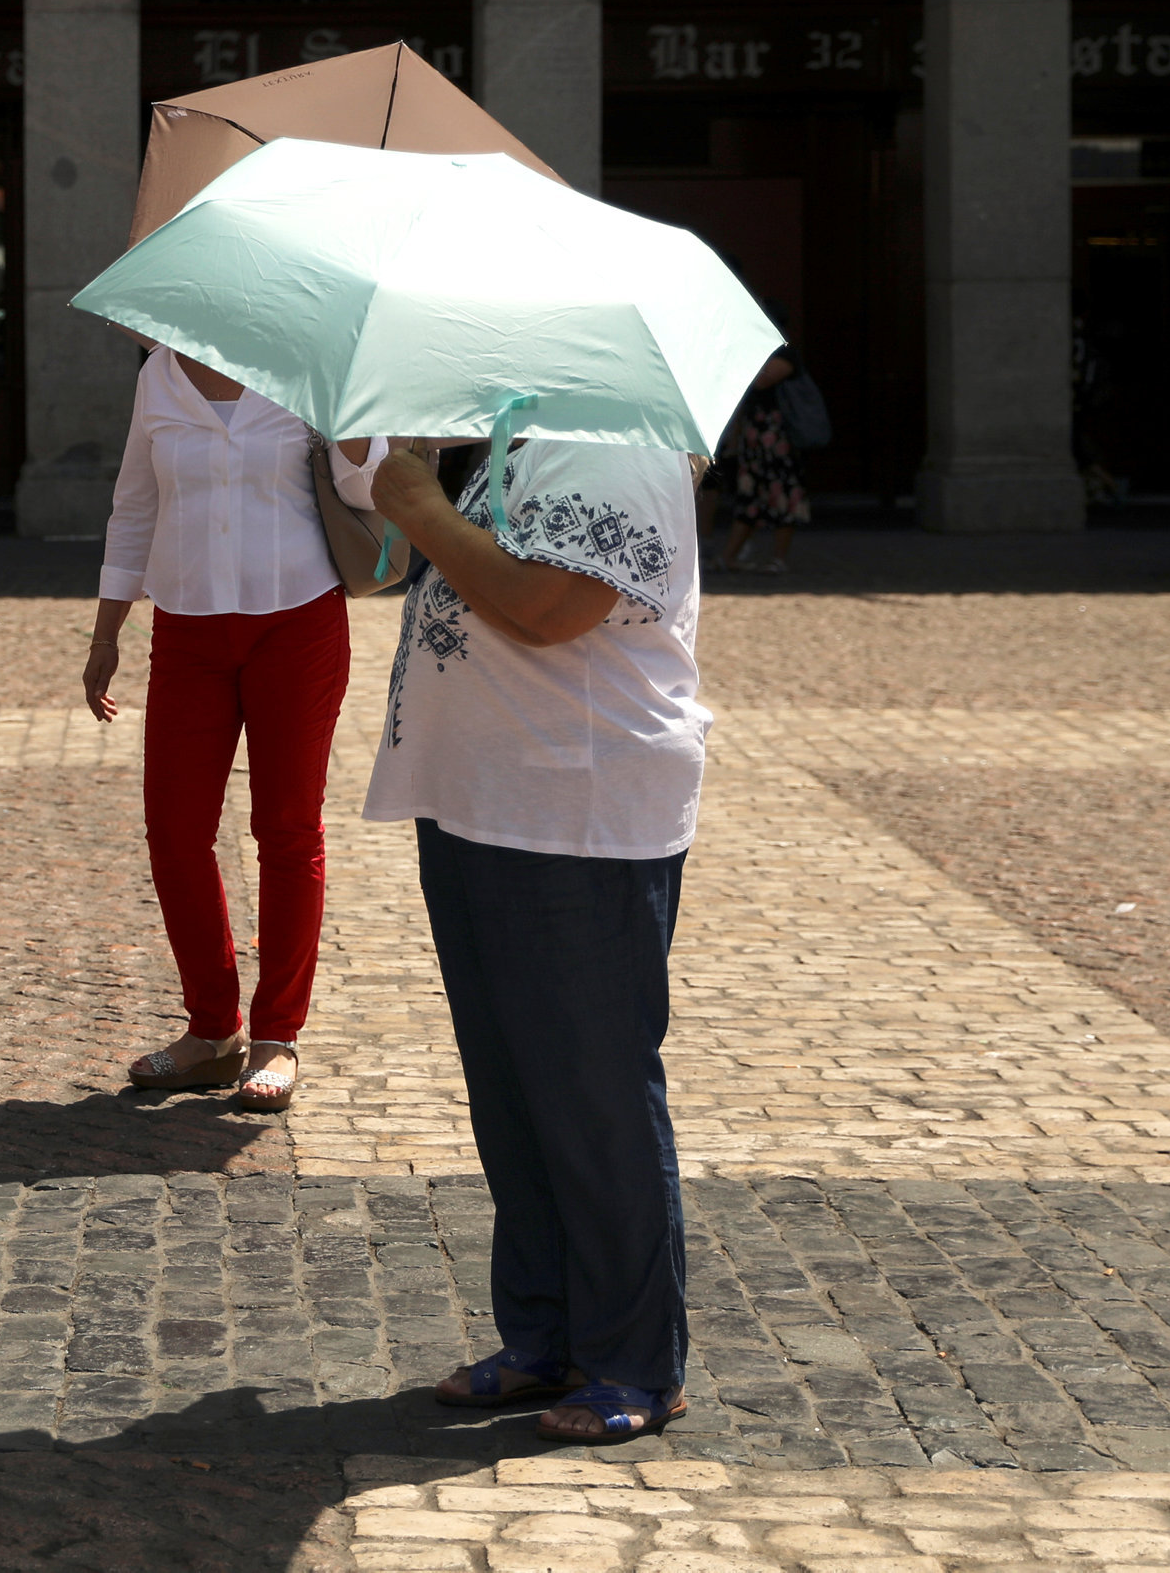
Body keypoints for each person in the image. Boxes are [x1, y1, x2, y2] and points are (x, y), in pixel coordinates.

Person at [365, 427, 708, 1446]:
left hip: (574, 807)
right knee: (516, 1091)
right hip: (488, 798)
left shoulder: (611, 439)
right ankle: (548, 1333)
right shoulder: (518, 435)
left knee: (590, 1091)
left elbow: (552, 609)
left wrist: (421, 508)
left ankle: (633, 1359)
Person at [84, 347, 380, 1115]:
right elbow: (135, 505)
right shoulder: (157, 374)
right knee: (174, 832)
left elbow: (368, 487)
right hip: (187, 627)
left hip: (299, 618)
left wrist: (356, 422)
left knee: (285, 828)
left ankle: (277, 1035)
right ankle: (212, 1031)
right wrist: (107, 631)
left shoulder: (309, 367)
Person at [707, 348, 808, 576]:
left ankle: (778, 558)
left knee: (782, 493)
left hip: (778, 441)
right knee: (748, 496)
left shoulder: (784, 355)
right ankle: (729, 556)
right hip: (753, 442)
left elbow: (762, 380)